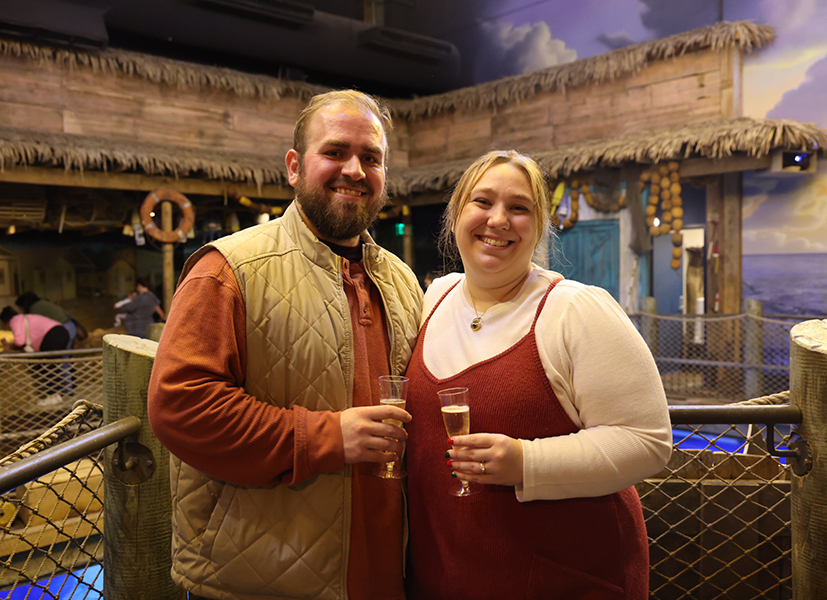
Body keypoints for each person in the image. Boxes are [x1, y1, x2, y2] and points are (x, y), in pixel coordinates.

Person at [148, 90, 423, 600]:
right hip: (261, 578)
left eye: (371, 157)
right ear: (295, 167)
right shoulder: (229, 269)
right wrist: (326, 437)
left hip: (387, 575)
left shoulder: (403, 282)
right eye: (336, 152)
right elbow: (179, 406)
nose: (355, 170)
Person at [404, 150, 672, 600]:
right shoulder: (436, 296)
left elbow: (647, 441)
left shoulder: (574, 309)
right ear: (455, 218)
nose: (499, 219)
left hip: (562, 578)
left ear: (540, 228)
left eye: (519, 208)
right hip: (449, 573)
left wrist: (527, 462)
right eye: (483, 202)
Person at [0, 305, 71, 404]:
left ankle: (53, 396)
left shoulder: (14, 320)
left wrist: (10, 347)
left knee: (49, 366)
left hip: (52, 334)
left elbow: (19, 341)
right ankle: (57, 395)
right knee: (52, 365)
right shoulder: (23, 318)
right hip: (60, 332)